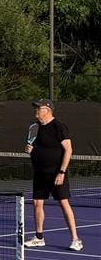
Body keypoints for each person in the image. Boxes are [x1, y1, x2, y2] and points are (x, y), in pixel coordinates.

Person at [24, 98, 83, 251]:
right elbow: (34, 147)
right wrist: (29, 150)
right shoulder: (34, 128)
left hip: (56, 173)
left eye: (39, 108)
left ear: (48, 110)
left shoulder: (59, 126)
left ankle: (76, 239)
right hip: (40, 173)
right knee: (37, 203)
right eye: (35, 108)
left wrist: (62, 172)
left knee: (64, 203)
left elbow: (69, 150)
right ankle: (39, 237)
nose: (36, 111)